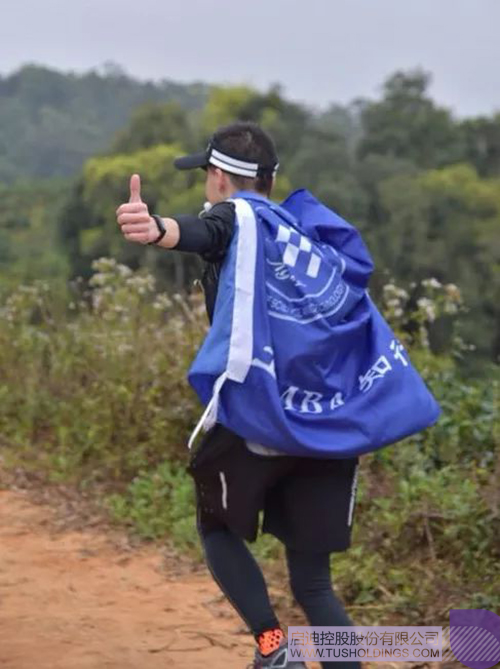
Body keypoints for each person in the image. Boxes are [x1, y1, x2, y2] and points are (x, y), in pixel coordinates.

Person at [116, 122, 361, 669]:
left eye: (207, 174)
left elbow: (207, 231)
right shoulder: (303, 230)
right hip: (327, 417)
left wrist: (155, 229)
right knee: (314, 583)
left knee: (216, 527)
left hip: (259, 411)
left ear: (221, 177)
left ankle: (274, 648)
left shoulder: (239, 217)